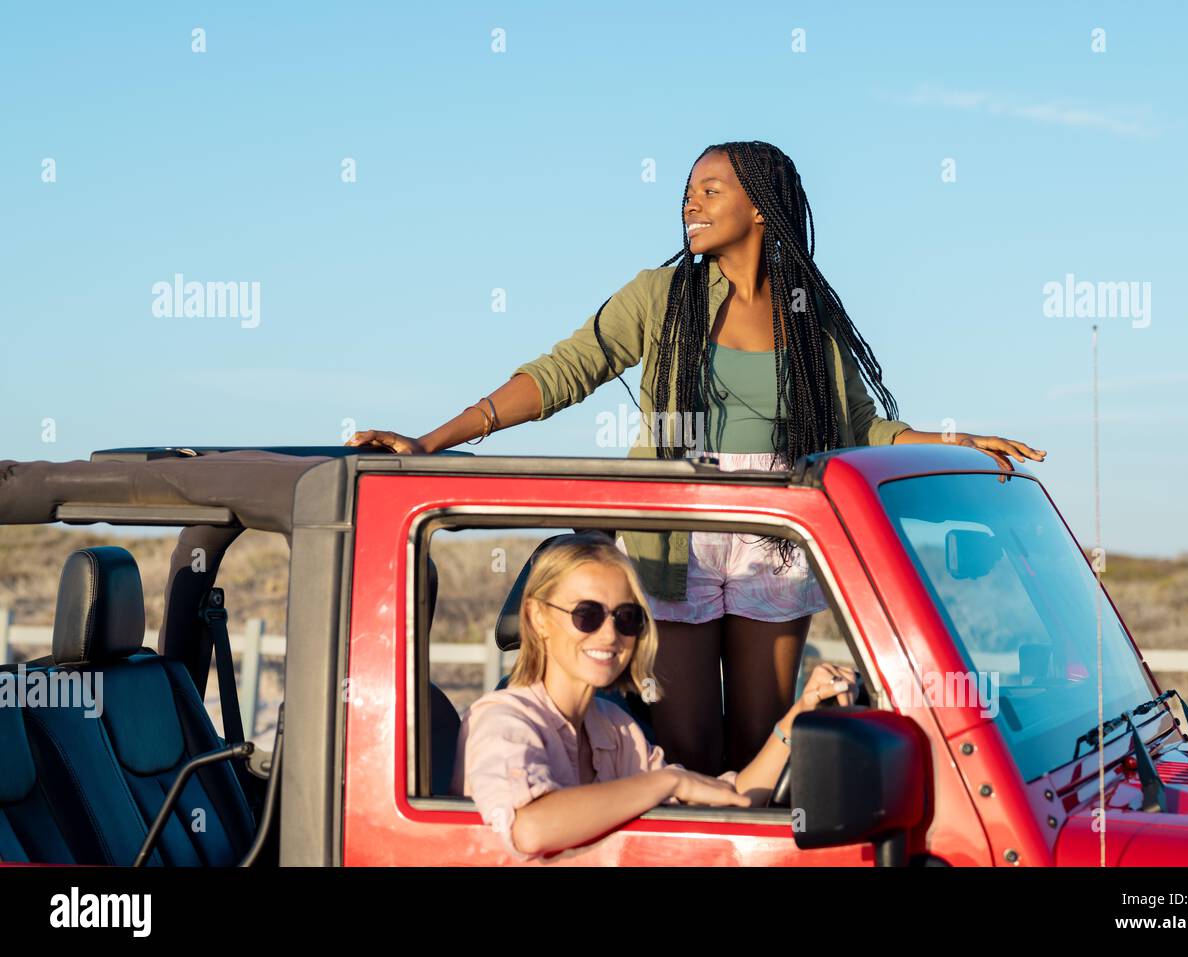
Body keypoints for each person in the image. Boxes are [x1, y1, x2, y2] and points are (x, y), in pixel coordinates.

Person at [347, 139, 1044, 775]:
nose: (692, 202)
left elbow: (859, 424)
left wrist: (950, 440)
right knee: (685, 747)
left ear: (762, 207)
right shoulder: (664, 295)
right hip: (673, 532)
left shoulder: (808, 314)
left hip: (778, 535)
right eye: (689, 189)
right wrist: (433, 440)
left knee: (759, 742)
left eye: (712, 189)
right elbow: (564, 370)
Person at [447, 533, 857, 862]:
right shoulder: (503, 722)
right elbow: (531, 828)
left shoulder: (614, 727)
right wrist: (665, 782)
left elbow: (726, 800)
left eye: (627, 618)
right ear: (538, 616)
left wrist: (795, 720)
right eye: (586, 614)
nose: (609, 635)